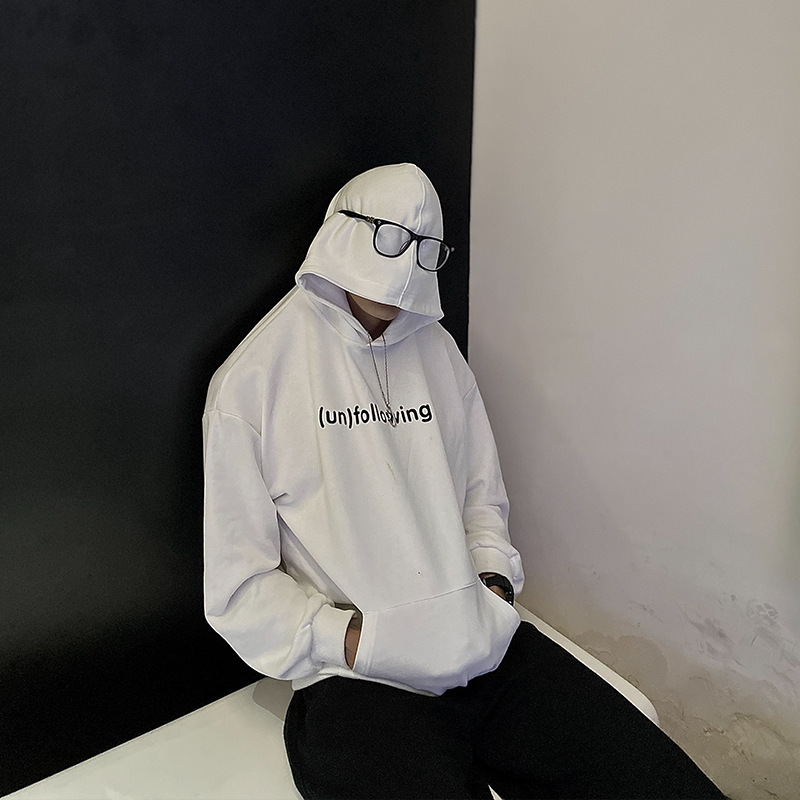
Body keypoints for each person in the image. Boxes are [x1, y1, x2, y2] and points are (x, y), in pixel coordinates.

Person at [203, 163, 725, 799]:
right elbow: (238, 587)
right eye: (389, 241)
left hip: (484, 647)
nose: (403, 272)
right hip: (361, 679)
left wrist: (494, 585)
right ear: (343, 231)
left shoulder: (439, 353)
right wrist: (356, 640)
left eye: (425, 250)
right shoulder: (254, 382)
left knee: (659, 782)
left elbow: (482, 497)